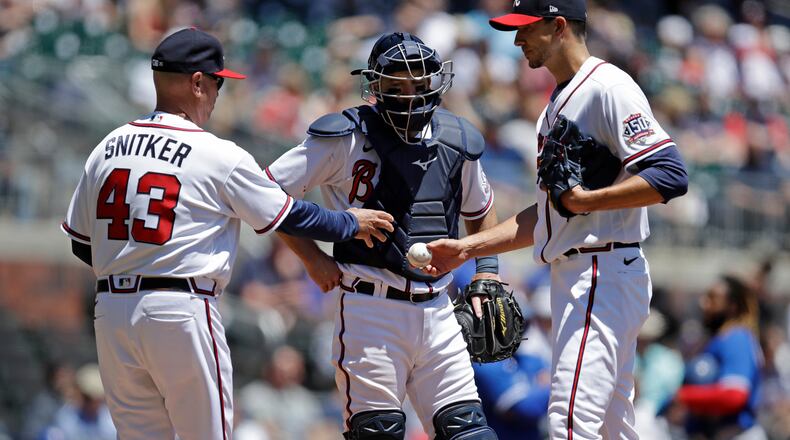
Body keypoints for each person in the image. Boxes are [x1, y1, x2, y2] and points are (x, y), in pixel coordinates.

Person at [60, 27, 394, 440]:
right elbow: (288, 214)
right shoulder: (216, 153)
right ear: (198, 83)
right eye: (217, 82)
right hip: (180, 308)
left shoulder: (108, 146)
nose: (220, 93)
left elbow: (80, 241)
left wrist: (131, 268)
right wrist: (350, 222)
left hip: (111, 312)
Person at [423, 1, 689, 438]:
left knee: (569, 421)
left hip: (601, 269)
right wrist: (466, 248)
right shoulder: (559, 100)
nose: (516, 39)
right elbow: (552, 213)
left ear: (558, 25)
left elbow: (670, 174)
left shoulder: (607, 86)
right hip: (587, 269)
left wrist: (588, 200)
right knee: (610, 427)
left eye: (526, 27)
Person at [265, 32, 501, 439]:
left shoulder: (456, 138)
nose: (410, 96)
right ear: (374, 87)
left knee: (470, 433)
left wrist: (488, 271)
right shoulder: (344, 135)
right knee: (379, 432)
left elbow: (481, 210)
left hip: (440, 309)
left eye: (419, 84)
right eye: (396, 86)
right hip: (369, 307)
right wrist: (312, 257)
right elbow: (264, 194)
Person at [674, 276, 765, 439]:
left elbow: (735, 395)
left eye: (712, 297)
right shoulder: (720, 339)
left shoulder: (737, 337)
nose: (703, 303)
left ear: (732, 307)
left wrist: (684, 396)